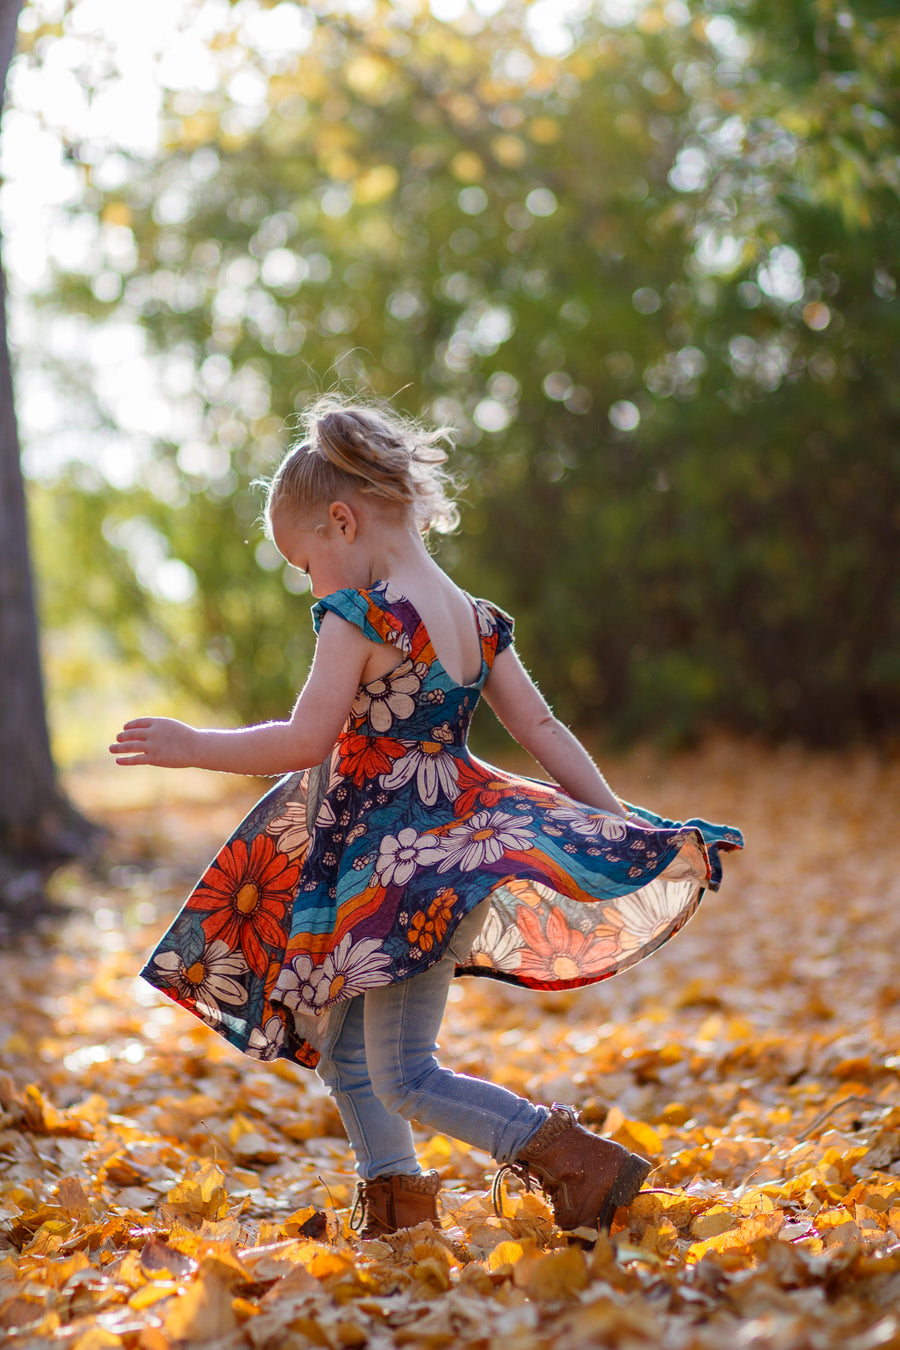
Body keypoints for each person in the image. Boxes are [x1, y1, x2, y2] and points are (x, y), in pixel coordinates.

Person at [110, 397, 743, 1240]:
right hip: (458, 853)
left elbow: (305, 738)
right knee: (346, 1051)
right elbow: (545, 731)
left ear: (342, 521)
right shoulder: (479, 622)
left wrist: (192, 745)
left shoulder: (360, 617)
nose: (309, 583)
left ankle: (576, 1163)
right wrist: (615, 824)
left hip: (395, 873)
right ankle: (398, 1208)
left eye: (303, 563)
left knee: (403, 1072)